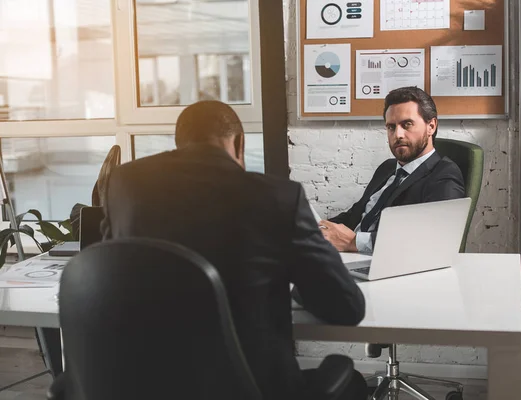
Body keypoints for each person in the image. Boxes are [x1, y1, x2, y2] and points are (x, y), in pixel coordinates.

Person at [101, 101, 368, 400]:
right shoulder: (277, 196)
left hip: (145, 384)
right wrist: (299, 286)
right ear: (240, 144)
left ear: (179, 145)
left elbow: (109, 268)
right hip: (252, 389)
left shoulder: (125, 184)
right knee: (353, 383)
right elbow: (346, 307)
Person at [320, 87, 466, 253]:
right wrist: (318, 229)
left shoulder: (444, 175)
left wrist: (354, 242)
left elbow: (434, 239)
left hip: (388, 265)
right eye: (391, 127)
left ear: (431, 126)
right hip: (350, 257)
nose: (398, 135)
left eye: (407, 124)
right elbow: (356, 214)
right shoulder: (387, 167)